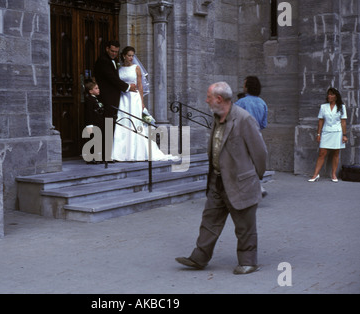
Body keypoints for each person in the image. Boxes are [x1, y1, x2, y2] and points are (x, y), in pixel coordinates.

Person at [175, 82, 267, 275]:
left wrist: (252, 179)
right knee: (209, 221)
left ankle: (248, 261)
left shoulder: (243, 119)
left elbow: (260, 153)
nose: (206, 100)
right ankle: (199, 258)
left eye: (209, 97)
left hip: (240, 183)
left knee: (245, 226)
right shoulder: (217, 117)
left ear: (219, 99)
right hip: (217, 181)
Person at [112, 46, 174, 162]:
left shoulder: (136, 68)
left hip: (134, 98)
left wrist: (142, 102)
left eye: (132, 56)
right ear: (124, 55)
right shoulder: (119, 69)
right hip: (123, 98)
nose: (131, 58)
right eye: (129, 55)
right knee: (123, 121)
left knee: (135, 123)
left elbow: (140, 86)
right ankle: (121, 153)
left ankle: (137, 153)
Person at [94, 41, 138, 160]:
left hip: (114, 98)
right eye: (112, 51)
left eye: (116, 52)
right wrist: (128, 87)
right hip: (107, 98)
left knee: (111, 125)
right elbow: (112, 78)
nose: (114, 53)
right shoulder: (103, 61)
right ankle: (104, 155)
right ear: (107, 49)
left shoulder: (113, 61)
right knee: (107, 125)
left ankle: (108, 154)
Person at [235, 76, 268, 197]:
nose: (243, 87)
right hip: (257, 136)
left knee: (241, 164)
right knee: (252, 163)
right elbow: (264, 124)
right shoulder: (262, 103)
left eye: (244, 84)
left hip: (242, 137)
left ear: (248, 87)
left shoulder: (241, 103)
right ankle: (257, 187)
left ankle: (253, 189)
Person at [309, 87, 348, 182]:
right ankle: (315, 175)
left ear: (336, 96)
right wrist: (318, 134)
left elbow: (343, 122)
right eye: (328, 94)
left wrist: (344, 135)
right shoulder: (323, 107)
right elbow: (320, 121)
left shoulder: (341, 107)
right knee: (322, 153)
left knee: (336, 153)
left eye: (331, 94)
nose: (329, 96)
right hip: (326, 132)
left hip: (337, 132)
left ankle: (333, 175)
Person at [83, 81, 105, 164]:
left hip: (99, 123)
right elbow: (89, 113)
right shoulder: (89, 100)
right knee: (92, 141)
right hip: (93, 124)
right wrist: (89, 125)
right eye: (96, 88)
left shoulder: (96, 99)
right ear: (90, 91)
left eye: (98, 88)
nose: (98, 90)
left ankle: (98, 157)